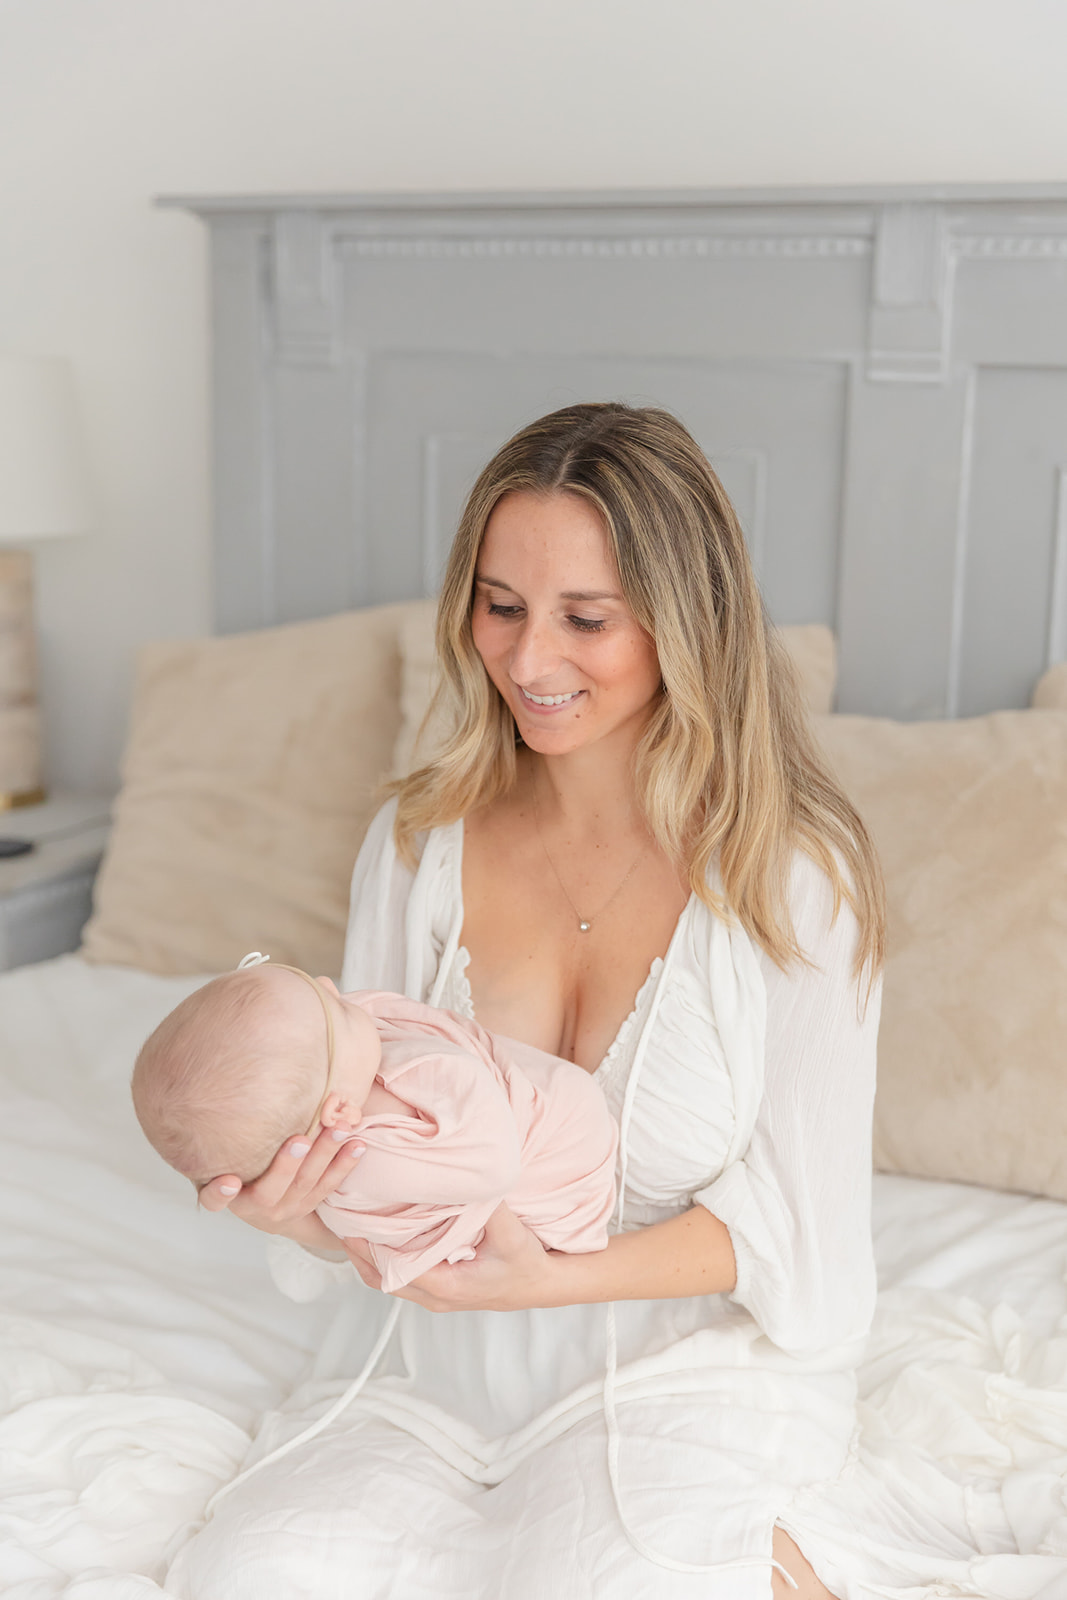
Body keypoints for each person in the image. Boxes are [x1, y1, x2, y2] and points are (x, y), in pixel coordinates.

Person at [184, 402, 886, 1600]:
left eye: (585, 619)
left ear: (684, 621)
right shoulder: (417, 846)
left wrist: (552, 1279)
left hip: (682, 1367)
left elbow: (795, 1230)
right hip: (435, 1365)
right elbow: (359, 1143)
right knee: (256, 1572)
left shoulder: (790, 876)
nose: (526, 660)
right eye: (499, 605)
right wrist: (291, 1205)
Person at [130, 960, 617, 1292]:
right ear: (339, 1111)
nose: (331, 985)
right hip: (559, 1190)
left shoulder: (346, 1064)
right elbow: (494, 1165)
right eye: (339, 1011)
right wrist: (445, 1067)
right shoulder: (371, 1152)